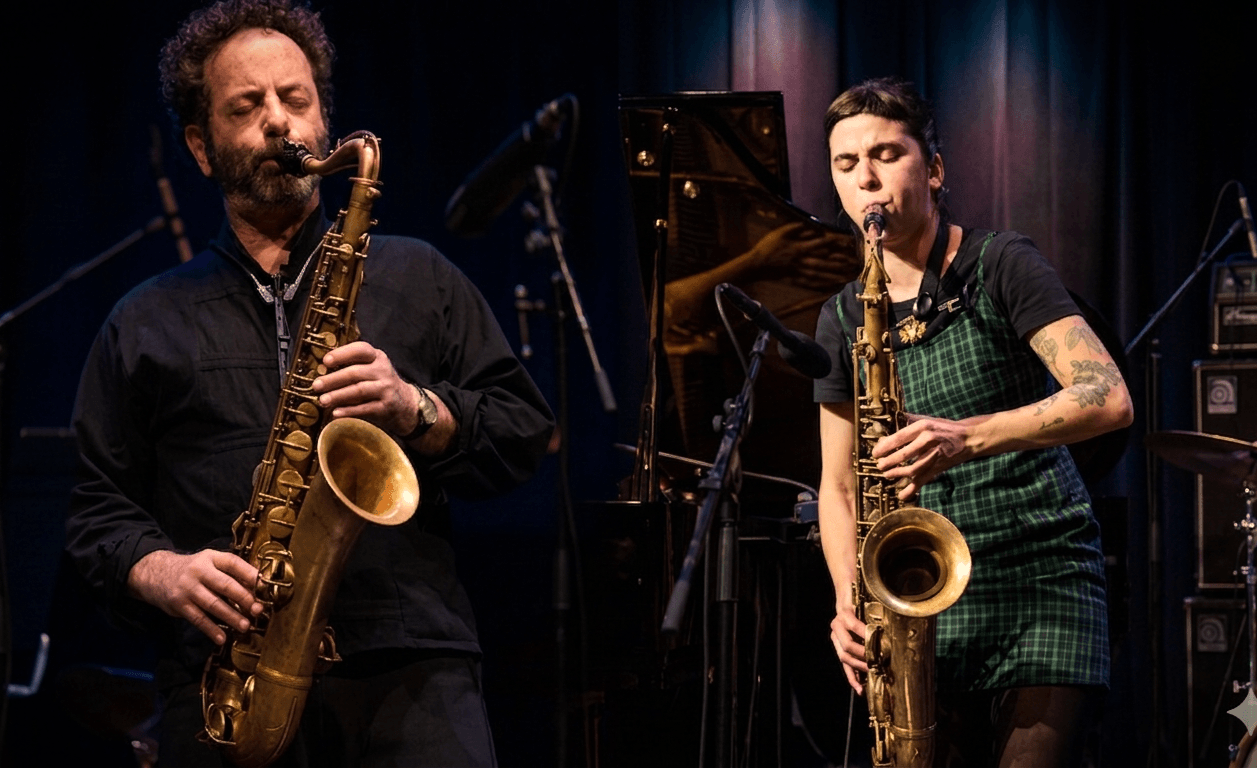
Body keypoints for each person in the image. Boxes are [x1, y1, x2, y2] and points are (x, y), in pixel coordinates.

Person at [65, 1, 554, 765]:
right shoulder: (144, 320)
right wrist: (159, 570)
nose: (277, 122)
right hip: (226, 683)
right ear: (201, 146)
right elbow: (94, 511)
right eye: (246, 105)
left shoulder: (419, 275)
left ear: (324, 120)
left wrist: (416, 408)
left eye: (295, 99)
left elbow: (525, 430)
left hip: (411, 672)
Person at [813, 77, 1133, 767]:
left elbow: (1106, 395)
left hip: (1038, 576)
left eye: (885, 154)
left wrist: (964, 436)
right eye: (845, 164)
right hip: (921, 603)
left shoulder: (998, 264)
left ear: (931, 169)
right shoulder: (840, 316)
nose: (865, 177)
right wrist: (849, 600)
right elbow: (836, 489)